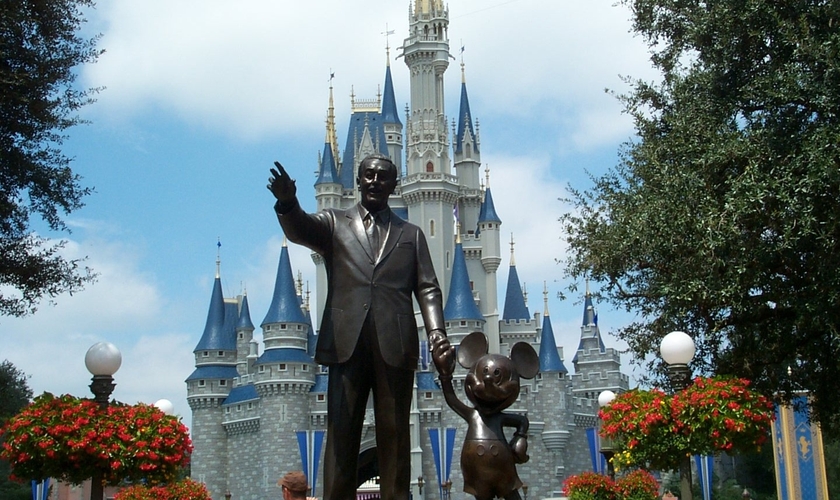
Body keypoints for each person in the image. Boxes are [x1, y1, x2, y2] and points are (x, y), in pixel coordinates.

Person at [268, 154, 455, 500]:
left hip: (395, 345)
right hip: (345, 341)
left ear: (394, 185)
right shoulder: (334, 223)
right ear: (357, 180)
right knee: (341, 433)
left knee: (396, 435)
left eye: (382, 177)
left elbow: (428, 287)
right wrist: (288, 203)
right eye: (368, 175)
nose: (374, 181)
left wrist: (437, 332)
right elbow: (300, 230)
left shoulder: (411, 235)